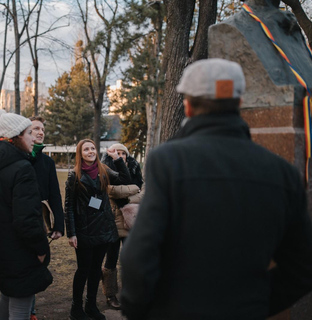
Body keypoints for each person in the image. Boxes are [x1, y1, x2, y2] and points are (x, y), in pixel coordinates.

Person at [120, 58, 312, 320]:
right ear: (239, 103)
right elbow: (303, 265)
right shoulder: (283, 173)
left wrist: (140, 309)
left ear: (188, 106)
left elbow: (138, 256)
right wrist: (254, 303)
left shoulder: (169, 161)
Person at [0, 112, 53, 320]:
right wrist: (41, 249)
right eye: (29, 132)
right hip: (21, 252)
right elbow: (27, 219)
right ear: (17, 136)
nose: (34, 138)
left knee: (8, 298)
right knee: (20, 310)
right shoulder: (22, 168)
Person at [65, 139, 131, 320]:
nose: (90, 151)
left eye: (93, 148)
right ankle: (76, 308)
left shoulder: (104, 170)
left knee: (95, 271)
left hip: (104, 229)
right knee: (83, 270)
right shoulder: (74, 175)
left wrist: (117, 158)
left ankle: (91, 305)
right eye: (86, 149)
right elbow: (69, 207)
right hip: (85, 230)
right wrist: (71, 233)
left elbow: (125, 179)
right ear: (80, 153)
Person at [28, 116, 65, 320]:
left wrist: (58, 225)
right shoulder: (17, 157)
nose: (41, 132)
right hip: (17, 220)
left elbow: (55, 195)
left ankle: (30, 311)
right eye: (35, 128)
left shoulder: (47, 162)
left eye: (42, 129)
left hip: (40, 222)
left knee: (36, 265)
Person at [100, 143, 143, 310]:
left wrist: (131, 195)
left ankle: (131, 292)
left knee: (131, 259)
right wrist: (133, 190)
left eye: (123, 153)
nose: (120, 156)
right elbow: (111, 191)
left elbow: (144, 192)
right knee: (111, 260)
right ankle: (110, 295)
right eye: (116, 153)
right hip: (112, 223)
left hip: (130, 223)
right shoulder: (107, 172)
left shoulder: (134, 169)